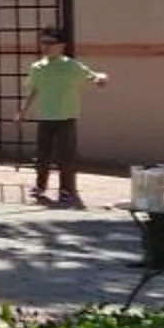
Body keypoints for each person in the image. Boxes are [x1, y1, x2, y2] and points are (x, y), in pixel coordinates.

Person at [19, 26, 108, 206]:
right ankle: (40, 186)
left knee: (65, 157)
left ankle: (66, 190)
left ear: (62, 46)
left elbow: (92, 76)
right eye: (43, 43)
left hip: (66, 117)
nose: (46, 47)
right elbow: (34, 90)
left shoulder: (71, 66)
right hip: (45, 117)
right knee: (42, 155)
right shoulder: (37, 67)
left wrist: (101, 78)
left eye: (51, 43)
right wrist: (23, 110)